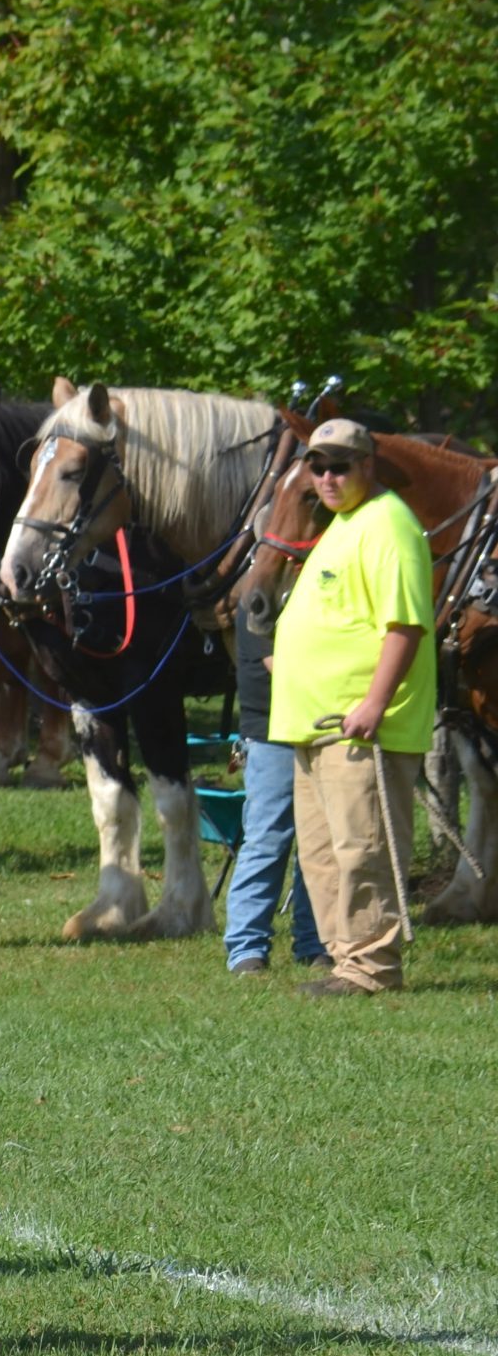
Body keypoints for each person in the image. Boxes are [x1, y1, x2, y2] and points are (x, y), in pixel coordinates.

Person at [271, 419, 434, 996]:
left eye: (341, 465)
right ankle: (347, 962)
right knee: (322, 855)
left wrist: (374, 703)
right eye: (318, 466)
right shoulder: (341, 525)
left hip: (360, 728)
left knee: (363, 850)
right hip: (312, 723)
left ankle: (372, 967)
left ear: (369, 465)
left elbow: (406, 625)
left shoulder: (389, 525)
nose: (328, 477)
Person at [223, 603, 327, 976]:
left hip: (321, 727)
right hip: (272, 734)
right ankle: (246, 948)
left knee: (319, 844)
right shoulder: (260, 596)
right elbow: (282, 668)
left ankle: (316, 943)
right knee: (268, 839)